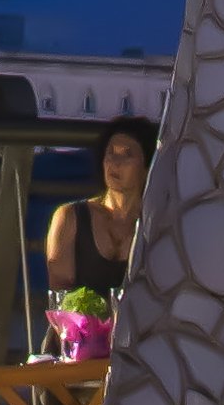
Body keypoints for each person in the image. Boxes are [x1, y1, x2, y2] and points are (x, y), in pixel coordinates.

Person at [44, 117, 156, 337]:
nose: (115, 162)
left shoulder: (158, 222)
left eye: (127, 155)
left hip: (140, 341)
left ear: (146, 167)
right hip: (77, 341)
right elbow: (61, 299)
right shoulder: (70, 217)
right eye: (110, 153)